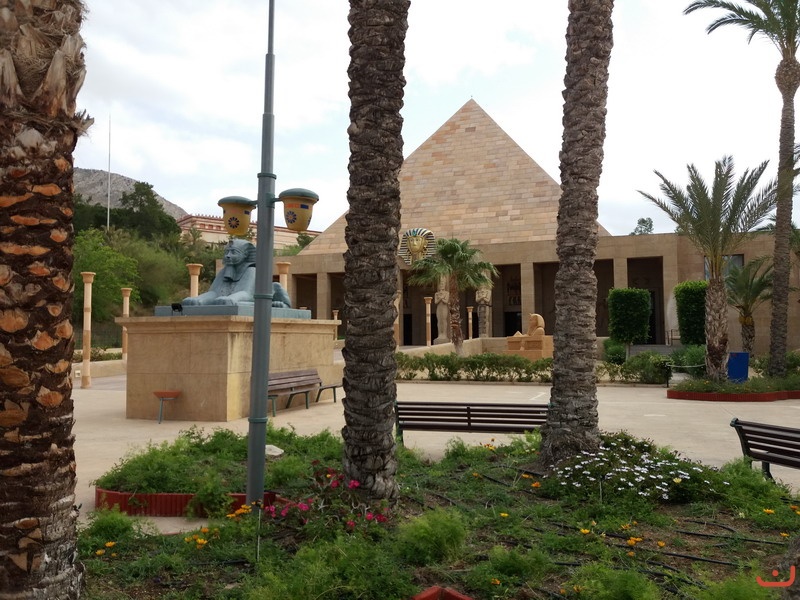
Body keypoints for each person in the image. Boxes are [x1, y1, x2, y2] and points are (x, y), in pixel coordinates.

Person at [182, 239, 256, 306]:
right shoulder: (223, 271)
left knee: (228, 302)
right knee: (196, 302)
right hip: (226, 300)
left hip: (244, 303)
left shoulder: (251, 270)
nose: (228, 255)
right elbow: (214, 293)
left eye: (233, 252)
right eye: (227, 252)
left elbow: (247, 294)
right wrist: (199, 300)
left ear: (245, 254)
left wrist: (232, 298)